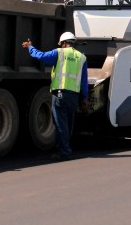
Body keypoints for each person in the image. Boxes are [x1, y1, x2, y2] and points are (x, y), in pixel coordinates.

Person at [22, 31, 89, 160]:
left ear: (64, 43)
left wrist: (30, 47)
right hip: (74, 96)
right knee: (68, 124)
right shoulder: (82, 58)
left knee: (60, 123)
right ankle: (66, 148)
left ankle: (64, 151)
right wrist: (85, 98)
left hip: (60, 94)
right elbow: (84, 81)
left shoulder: (59, 53)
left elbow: (41, 56)